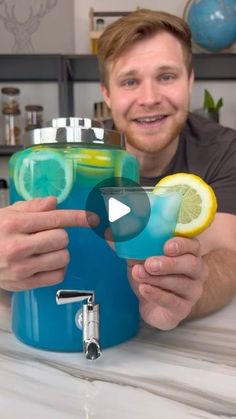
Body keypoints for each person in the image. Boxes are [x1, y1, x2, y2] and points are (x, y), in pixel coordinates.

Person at [1, 9, 236, 332]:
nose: (150, 98)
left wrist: (179, 298)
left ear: (190, 81)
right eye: (130, 81)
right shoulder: (75, 161)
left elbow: (227, 256)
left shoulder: (225, 150)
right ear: (107, 94)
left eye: (166, 76)